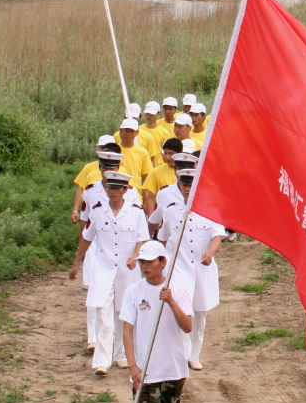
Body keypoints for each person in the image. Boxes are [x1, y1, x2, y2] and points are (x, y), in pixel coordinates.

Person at [120, 239, 193, 403]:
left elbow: (187, 327)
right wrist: (133, 365)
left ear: (163, 263)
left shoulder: (179, 291)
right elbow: (128, 331)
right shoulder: (133, 292)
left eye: (150, 262)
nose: (145, 266)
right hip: (146, 372)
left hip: (174, 370)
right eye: (141, 262)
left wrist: (171, 302)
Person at [70, 171, 149, 376]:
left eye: (117, 188)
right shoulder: (98, 211)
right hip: (103, 269)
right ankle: (102, 361)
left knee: (123, 314)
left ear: (125, 190)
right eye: (109, 188)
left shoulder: (136, 212)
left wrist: (136, 255)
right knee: (103, 314)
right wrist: (76, 263)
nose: (112, 192)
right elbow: (87, 239)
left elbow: (142, 238)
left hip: (127, 271)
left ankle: (121, 355)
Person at [158, 167, 225, 371]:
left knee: (200, 312)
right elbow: (162, 238)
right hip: (178, 267)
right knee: (180, 309)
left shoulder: (211, 208)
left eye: (192, 185)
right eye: (185, 184)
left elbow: (217, 237)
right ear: (180, 185)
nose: (188, 189)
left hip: (202, 270)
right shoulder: (171, 210)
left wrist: (210, 253)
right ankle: (180, 353)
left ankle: (194, 354)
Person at [72, 135, 120, 223]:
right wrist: (75, 210)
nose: (104, 150)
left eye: (108, 148)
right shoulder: (88, 168)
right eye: (102, 147)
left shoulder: (121, 170)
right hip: (93, 208)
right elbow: (81, 189)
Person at [142, 138, 183, 218]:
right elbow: (150, 198)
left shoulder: (186, 172)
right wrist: (151, 220)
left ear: (180, 153)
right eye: (165, 153)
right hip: (163, 220)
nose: (167, 157)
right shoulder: (155, 172)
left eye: (171, 154)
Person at [115, 118, 154, 188]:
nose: (129, 134)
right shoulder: (114, 151)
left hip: (135, 193)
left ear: (137, 132)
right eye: (126, 130)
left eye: (132, 131)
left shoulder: (142, 152)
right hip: (116, 191)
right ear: (120, 131)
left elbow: (146, 176)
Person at [141, 102, 171, 168]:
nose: (149, 116)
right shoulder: (138, 130)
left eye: (152, 114)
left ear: (158, 114)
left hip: (159, 166)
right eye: (147, 114)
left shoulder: (164, 133)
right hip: (142, 166)